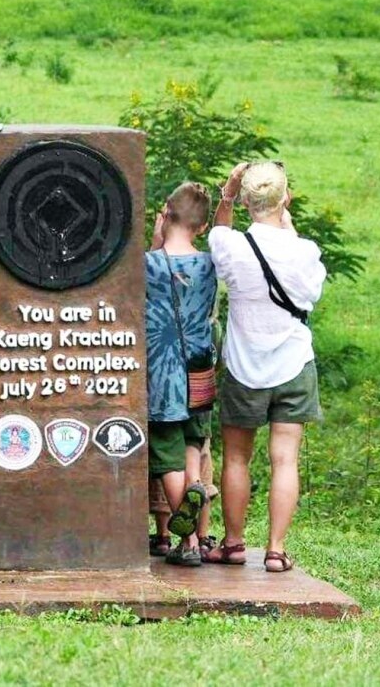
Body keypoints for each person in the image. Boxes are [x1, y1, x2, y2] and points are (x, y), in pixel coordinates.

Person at [205, 162, 326, 572]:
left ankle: (234, 543)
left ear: (245, 200)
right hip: (293, 363)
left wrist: (226, 195)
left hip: (243, 366)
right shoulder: (304, 251)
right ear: (285, 199)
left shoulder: (232, 246)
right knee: (285, 460)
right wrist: (289, 231)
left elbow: (219, 231)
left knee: (236, 459)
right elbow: (308, 297)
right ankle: (275, 550)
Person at [145, 183, 218, 567]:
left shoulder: (148, 264)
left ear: (165, 213)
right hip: (200, 366)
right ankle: (195, 494)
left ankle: (188, 542)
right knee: (192, 445)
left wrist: (157, 243)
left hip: (163, 372)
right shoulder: (209, 264)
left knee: (167, 457)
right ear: (202, 227)